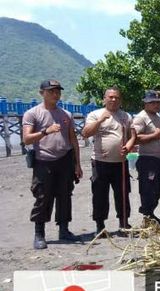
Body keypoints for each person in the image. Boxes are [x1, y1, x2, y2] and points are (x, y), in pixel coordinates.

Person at [22, 80, 82, 249]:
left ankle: (64, 229)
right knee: (43, 196)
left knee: (65, 195)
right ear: (42, 93)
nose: (55, 94)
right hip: (43, 161)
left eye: (58, 91)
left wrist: (77, 164)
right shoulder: (32, 113)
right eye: (51, 91)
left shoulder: (66, 114)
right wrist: (45, 131)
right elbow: (26, 139)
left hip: (64, 160)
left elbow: (73, 140)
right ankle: (39, 233)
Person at [82, 87, 136, 235]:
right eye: (110, 97)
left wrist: (129, 146)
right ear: (104, 99)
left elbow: (132, 136)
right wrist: (100, 120)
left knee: (123, 194)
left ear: (120, 100)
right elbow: (86, 133)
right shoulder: (95, 114)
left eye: (117, 97)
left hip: (120, 162)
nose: (113, 100)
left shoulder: (126, 116)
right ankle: (100, 226)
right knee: (100, 195)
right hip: (100, 162)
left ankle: (124, 223)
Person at [132, 90, 160, 224]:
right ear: (145, 103)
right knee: (148, 189)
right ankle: (147, 216)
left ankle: (150, 213)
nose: (156, 105)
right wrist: (154, 136)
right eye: (153, 102)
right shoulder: (141, 117)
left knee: (159, 187)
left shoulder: (157, 117)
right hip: (148, 159)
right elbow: (135, 138)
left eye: (158, 102)